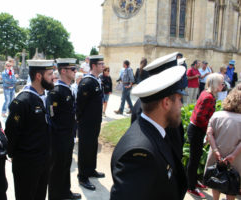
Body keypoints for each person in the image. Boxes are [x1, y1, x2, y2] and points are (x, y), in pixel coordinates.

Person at [110, 66, 188, 200]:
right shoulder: (140, 155)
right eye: (179, 99)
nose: (182, 105)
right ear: (166, 103)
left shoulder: (154, 130)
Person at [5, 59, 55, 200]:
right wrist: (13, 155)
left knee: (40, 195)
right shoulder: (22, 101)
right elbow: (11, 133)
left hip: (44, 159)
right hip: (27, 162)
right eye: (50, 74)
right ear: (39, 76)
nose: (53, 77)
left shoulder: (44, 97)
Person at [47, 58, 81, 200]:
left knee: (66, 165)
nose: (75, 72)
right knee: (56, 168)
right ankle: (56, 196)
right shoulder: (55, 91)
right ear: (63, 71)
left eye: (75, 69)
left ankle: (65, 192)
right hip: (59, 138)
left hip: (68, 135)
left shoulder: (68, 89)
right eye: (72, 69)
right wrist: (59, 136)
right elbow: (51, 116)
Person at [186, 73, 224, 199]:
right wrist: (209, 131)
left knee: (195, 158)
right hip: (197, 130)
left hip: (196, 129)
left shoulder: (206, 93)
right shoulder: (209, 97)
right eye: (221, 83)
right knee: (194, 159)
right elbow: (200, 118)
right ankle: (190, 186)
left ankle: (193, 181)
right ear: (215, 84)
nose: (223, 85)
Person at [205, 85, 241, 200]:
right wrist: (233, 155)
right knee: (232, 183)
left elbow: (209, 133)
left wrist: (215, 151)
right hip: (236, 158)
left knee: (216, 178)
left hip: (217, 155)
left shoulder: (216, 115)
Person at [77, 55, 105, 191]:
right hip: (86, 123)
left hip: (95, 122)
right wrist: (81, 120)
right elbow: (80, 104)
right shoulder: (87, 82)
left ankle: (90, 170)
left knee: (93, 146)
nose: (103, 66)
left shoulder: (97, 80)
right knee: (85, 148)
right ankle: (82, 176)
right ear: (93, 66)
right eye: (101, 64)